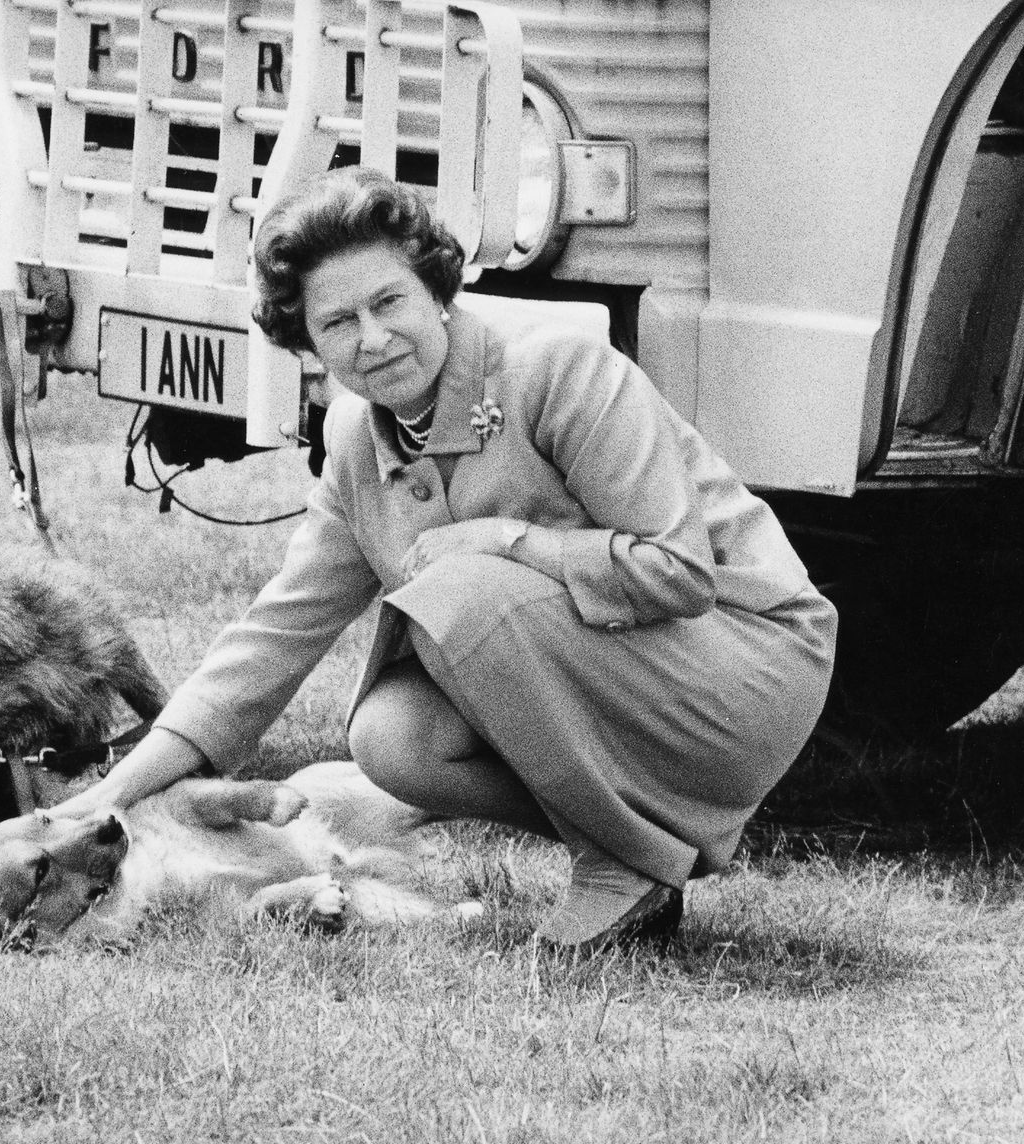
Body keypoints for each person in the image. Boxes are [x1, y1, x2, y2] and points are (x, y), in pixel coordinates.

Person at [52, 167, 836, 954]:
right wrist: (102, 801)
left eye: (388, 302)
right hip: (626, 686)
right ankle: (640, 850)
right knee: (393, 738)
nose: (373, 339)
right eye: (338, 323)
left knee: (460, 598)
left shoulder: (559, 369)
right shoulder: (360, 441)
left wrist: (507, 540)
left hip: (744, 667)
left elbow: (682, 572)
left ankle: (619, 864)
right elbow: (271, 640)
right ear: (308, 343)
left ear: (437, 289)